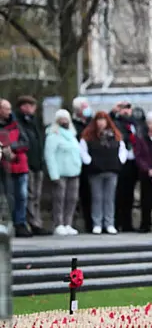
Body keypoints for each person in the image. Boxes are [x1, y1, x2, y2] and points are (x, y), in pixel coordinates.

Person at [79, 111, 127, 234]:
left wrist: (119, 161)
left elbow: (122, 149)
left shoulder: (115, 136)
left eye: (103, 120)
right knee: (97, 198)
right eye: (99, 120)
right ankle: (97, 223)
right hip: (95, 171)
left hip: (111, 169)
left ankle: (109, 223)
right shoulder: (89, 136)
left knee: (109, 198)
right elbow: (82, 150)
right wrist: (89, 162)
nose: (101, 123)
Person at [44, 109, 83, 236]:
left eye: (66, 118)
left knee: (72, 199)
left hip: (73, 172)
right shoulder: (53, 135)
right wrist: (53, 174)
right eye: (61, 119)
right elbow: (49, 155)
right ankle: (58, 224)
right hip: (60, 173)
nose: (64, 121)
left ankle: (68, 223)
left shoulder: (72, 135)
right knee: (59, 199)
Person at [15, 96, 48, 235]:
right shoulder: (17, 122)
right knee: (28, 194)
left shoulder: (35, 122)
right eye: (27, 105)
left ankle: (37, 220)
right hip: (25, 163)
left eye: (32, 106)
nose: (30, 109)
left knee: (36, 195)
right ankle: (31, 222)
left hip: (37, 163)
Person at [0, 98, 30, 237]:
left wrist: (11, 147)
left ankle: (20, 222)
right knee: (8, 196)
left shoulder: (16, 124)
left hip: (20, 165)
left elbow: (25, 142)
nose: (9, 112)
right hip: (4, 167)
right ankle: (8, 224)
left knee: (22, 196)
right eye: (6, 109)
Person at [111, 101, 137, 232]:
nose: (126, 111)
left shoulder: (134, 124)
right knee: (118, 193)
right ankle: (116, 222)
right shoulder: (116, 124)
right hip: (121, 162)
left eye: (128, 108)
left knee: (129, 195)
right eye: (123, 109)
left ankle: (128, 223)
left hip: (134, 161)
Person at [72, 96, 93, 232]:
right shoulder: (73, 125)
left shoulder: (92, 123)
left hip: (94, 163)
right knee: (83, 194)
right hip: (79, 164)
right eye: (84, 107)